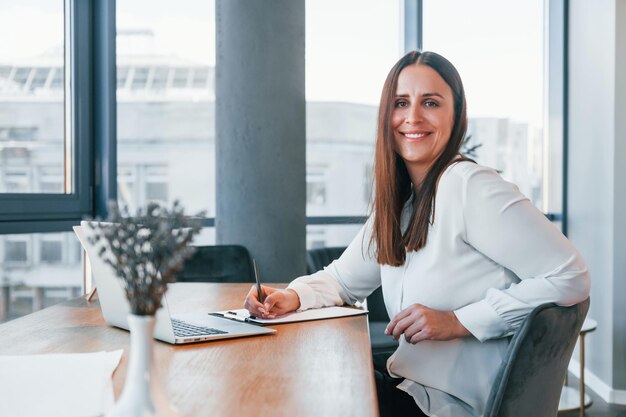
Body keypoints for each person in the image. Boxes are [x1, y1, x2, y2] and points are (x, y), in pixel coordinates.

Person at [243, 50, 590, 417]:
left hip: (446, 404)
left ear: (455, 115)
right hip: (409, 386)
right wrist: (291, 297)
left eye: (430, 102)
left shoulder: (469, 187)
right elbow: (342, 281)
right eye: (400, 103)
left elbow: (570, 275)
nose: (412, 117)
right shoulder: (403, 201)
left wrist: (458, 321)